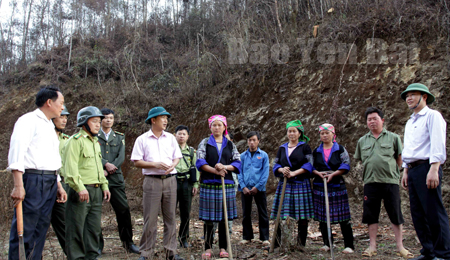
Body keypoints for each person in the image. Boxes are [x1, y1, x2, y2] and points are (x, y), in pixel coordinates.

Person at [8, 86, 67, 260]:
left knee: (41, 229)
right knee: (25, 228)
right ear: (49, 102)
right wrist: (19, 185)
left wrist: (58, 184)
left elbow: (50, 158)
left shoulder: (49, 125)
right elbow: (16, 153)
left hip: (49, 180)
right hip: (33, 180)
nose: (62, 108)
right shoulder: (28, 121)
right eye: (61, 103)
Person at [354, 107, 413, 259]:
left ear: (382, 120)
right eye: (369, 119)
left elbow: (399, 159)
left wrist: (394, 173)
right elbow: (361, 159)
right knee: (371, 215)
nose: (372, 122)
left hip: (390, 182)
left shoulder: (393, 138)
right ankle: (372, 246)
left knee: (395, 213)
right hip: (370, 182)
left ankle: (400, 246)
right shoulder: (362, 141)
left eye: (375, 118)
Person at [400, 83, 450, 260]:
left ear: (425, 97)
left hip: (427, 167)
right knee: (418, 213)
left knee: (433, 211)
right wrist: (405, 170)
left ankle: (443, 253)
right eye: (407, 96)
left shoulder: (432, 116)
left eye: (413, 95)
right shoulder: (410, 122)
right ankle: (428, 251)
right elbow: (409, 148)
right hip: (412, 170)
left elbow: (437, 142)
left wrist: (434, 168)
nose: (409, 98)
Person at [130, 106, 184, 260]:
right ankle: (146, 253)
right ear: (153, 120)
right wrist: (155, 164)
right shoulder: (142, 139)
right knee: (150, 218)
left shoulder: (171, 138)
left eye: (167, 118)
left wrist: (173, 165)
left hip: (170, 181)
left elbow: (177, 156)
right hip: (152, 181)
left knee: (170, 218)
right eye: (162, 118)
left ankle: (171, 252)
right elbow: (137, 161)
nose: (166, 120)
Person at [64, 106, 111, 260]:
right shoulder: (75, 141)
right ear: (84, 123)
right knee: (76, 228)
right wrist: (79, 187)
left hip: (96, 192)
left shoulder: (95, 142)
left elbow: (98, 167)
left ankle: (93, 256)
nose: (98, 125)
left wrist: (104, 186)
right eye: (94, 121)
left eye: (99, 121)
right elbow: (70, 169)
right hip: (81, 192)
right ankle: (77, 258)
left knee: (93, 228)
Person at [196, 115, 241, 260]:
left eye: (219, 125)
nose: (217, 128)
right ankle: (208, 247)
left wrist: (225, 167)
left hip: (226, 184)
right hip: (209, 183)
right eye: (214, 125)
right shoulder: (205, 143)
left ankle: (223, 247)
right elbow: (200, 161)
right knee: (209, 219)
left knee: (224, 218)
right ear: (210, 127)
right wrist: (215, 170)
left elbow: (237, 162)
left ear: (224, 127)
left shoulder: (230, 144)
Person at [98, 108, 139, 254]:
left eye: (111, 118)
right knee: (95, 212)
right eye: (105, 118)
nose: (108, 120)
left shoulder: (119, 137)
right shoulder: (94, 136)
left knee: (123, 210)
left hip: (115, 178)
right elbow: (92, 154)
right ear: (100, 119)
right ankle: (97, 245)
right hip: (97, 178)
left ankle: (128, 242)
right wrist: (104, 163)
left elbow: (121, 157)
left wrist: (110, 167)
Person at [271, 119, 313, 250]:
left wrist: (294, 173)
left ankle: (301, 244)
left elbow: (309, 164)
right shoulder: (282, 148)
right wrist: (281, 170)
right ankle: (278, 243)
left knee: (302, 215)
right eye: (289, 131)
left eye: (294, 131)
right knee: (282, 213)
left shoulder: (304, 147)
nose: (292, 134)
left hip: (300, 183)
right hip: (285, 185)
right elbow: (276, 164)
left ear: (300, 133)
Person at [311, 123, 354, 254]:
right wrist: (318, 173)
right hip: (320, 185)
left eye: (327, 133)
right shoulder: (316, 151)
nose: (324, 136)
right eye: (322, 134)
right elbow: (310, 166)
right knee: (323, 216)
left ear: (333, 134)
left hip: (336, 185)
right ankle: (327, 243)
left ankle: (349, 245)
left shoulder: (340, 149)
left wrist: (334, 174)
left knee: (343, 216)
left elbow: (346, 164)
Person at [238, 131, 270, 246]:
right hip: (245, 189)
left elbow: (265, 173)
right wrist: (243, 187)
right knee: (246, 213)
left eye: (254, 140)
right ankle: (247, 236)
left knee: (263, 212)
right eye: (249, 140)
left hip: (259, 189)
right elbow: (239, 173)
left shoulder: (264, 155)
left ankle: (264, 237)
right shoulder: (242, 156)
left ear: (258, 141)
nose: (251, 142)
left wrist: (258, 186)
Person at [174, 125, 200, 248]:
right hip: (172, 182)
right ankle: (170, 238)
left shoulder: (191, 152)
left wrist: (195, 184)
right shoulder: (171, 149)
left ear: (188, 136)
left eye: (184, 134)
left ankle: (183, 238)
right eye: (179, 134)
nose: (181, 136)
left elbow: (196, 168)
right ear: (175, 135)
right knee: (170, 212)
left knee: (185, 213)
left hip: (187, 183)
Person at [50, 105, 71, 255]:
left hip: (64, 183)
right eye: (61, 117)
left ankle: (72, 254)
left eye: (66, 117)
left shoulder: (68, 140)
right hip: (46, 180)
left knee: (65, 223)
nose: (64, 120)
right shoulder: (44, 137)